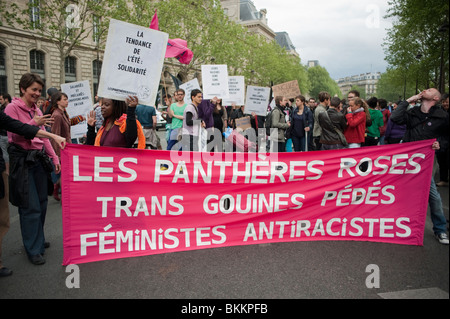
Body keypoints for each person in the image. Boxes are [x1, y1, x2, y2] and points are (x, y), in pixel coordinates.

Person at [4, 73, 66, 266]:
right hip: (23, 162)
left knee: (41, 203)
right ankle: (32, 248)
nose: (37, 93)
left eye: (39, 90)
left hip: (39, 161)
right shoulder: (11, 108)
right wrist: (33, 124)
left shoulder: (37, 109)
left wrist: (54, 157)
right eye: (34, 90)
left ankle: (37, 238)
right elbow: (14, 136)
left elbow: (44, 137)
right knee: (29, 206)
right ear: (23, 89)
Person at [390, 88, 449, 244]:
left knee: (432, 194)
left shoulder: (442, 116)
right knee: (401, 190)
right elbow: (395, 117)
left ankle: (440, 229)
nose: (425, 90)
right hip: (408, 158)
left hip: (426, 159)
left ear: (435, 98)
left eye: (429, 90)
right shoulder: (413, 112)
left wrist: (440, 144)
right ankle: (399, 224)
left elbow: (446, 136)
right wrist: (408, 101)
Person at [49, 92, 72, 201]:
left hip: (66, 148)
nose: (67, 101)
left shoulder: (63, 113)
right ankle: (63, 195)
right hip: (61, 150)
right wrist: (57, 155)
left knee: (66, 173)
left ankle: (56, 187)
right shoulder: (57, 115)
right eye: (64, 99)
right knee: (65, 174)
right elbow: (55, 135)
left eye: (67, 99)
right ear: (58, 101)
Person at [436, 93, 449, 187]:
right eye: (443, 102)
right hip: (441, 139)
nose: (445, 104)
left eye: (447, 102)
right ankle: (443, 179)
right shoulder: (439, 111)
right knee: (441, 160)